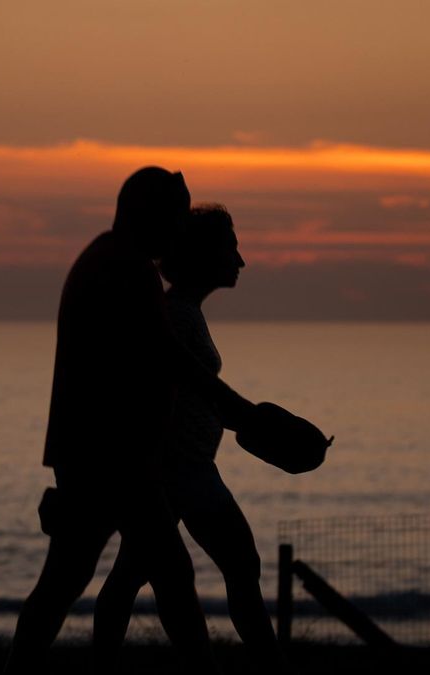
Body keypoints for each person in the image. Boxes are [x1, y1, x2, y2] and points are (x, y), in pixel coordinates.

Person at [3, 169, 257, 675]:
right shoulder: (125, 268)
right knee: (131, 576)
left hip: (107, 457)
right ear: (151, 213)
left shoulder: (109, 260)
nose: (181, 231)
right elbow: (170, 359)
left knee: (83, 579)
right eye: (176, 216)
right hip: (111, 460)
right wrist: (248, 417)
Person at [92, 205, 290, 674]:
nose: (240, 260)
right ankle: (269, 670)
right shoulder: (176, 317)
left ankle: (103, 671)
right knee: (235, 564)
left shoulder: (182, 313)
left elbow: (191, 396)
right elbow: (183, 389)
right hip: (178, 471)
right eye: (231, 248)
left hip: (188, 468)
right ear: (204, 255)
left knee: (134, 578)